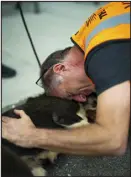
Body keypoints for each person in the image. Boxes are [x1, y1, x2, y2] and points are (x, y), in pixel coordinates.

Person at [2, 2, 130, 156]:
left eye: (71, 94)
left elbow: (113, 141)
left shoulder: (102, 57)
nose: (82, 99)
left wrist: (32, 136)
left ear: (61, 68)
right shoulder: (90, 32)